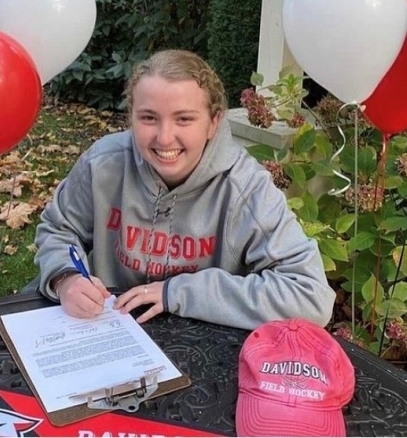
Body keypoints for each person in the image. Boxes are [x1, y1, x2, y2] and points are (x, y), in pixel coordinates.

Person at [34, 50, 335, 330]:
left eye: (184, 119)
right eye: (149, 118)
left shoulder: (246, 188)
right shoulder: (102, 164)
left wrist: (181, 292)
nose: (165, 138)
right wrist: (65, 277)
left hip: (205, 346)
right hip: (105, 330)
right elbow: (58, 229)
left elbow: (310, 295)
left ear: (214, 122)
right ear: (131, 117)